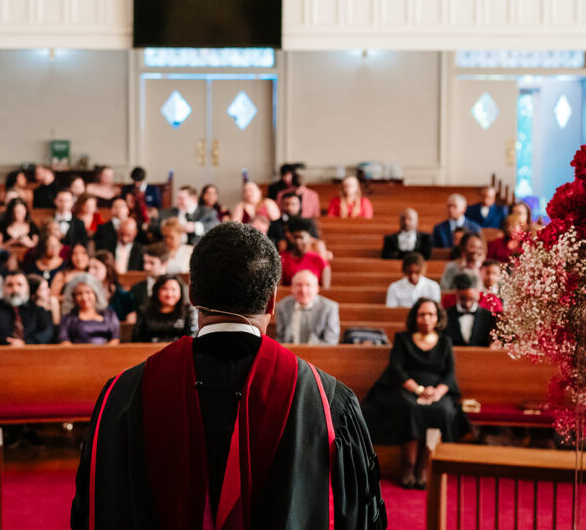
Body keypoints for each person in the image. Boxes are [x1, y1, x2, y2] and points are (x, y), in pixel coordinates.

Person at [71, 221, 387, 529]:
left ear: (192, 293)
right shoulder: (328, 402)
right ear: (272, 300)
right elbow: (360, 515)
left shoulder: (123, 394)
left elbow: (96, 508)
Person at [361, 298, 470, 489]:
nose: (426, 318)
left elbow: (449, 373)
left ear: (438, 318)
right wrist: (419, 390)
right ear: (415, 317)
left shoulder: (445, 341)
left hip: (437, 391)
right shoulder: (403, 338)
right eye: (422, 314)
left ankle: (424, 468)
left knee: (443, 410)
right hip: (406, 389)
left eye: (431, 314)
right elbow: (396, 370)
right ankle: (408, 467)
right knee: (410, 408)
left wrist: (437, 393)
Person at [0, 271, 55, 346]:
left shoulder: (38, 310)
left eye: (19, 285)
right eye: (10, 285)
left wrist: (25, 343)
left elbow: (47, 332)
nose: (15, 289)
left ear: (27, 288)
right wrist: (8, 343)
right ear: (3, 288)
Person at [275, 270, 340, 345]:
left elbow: (331, 341)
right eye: (299, 285)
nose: (303, 290)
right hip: (290, 353)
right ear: (292, 288)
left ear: (317, 288)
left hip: (319, 354)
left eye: (308, 285)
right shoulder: (282, 306)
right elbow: (281, 337)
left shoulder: (329, 308)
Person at [132, 274, 196, 342]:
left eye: (173, 289)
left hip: (180, 351)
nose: (169, 294)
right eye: (164, 289)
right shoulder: (144, 311)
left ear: (180, 292)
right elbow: (137, 338)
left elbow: (192, 336)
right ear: (157, 291)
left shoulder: (188, 310)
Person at [58, 276, 121, 345]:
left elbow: (115, 339)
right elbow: (65, 342)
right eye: (79, 294)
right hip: (77, 354)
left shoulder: (109, 315)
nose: (84, 298)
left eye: (88, 292)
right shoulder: (68, 318)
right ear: (74, 297)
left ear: (95, 294)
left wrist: (102, 353)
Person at [444, 273, 496, 347]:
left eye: (471, 299)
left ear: (478, 294)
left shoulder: (489, 317)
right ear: (457, 294)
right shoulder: (446, 315)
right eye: (463, 299)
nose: (467, 304)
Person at [280, 217, 330, 288]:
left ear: (309, 239)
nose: (298, 241)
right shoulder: (283, 259)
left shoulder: (319, 260)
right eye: (295, 237)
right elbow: (280, 288)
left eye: (301, 237)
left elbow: (326, 291)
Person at [88, 252, 138, 322]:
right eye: (89, 268)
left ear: (108, 268)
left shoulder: (123, 296)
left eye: (95, 268)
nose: (90, 272)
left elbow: (130, 324)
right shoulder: (86, 294)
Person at [128, 244, 168, 315]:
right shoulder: (136, 289)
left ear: (164, 264)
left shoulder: (176, 287)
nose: (146, 267)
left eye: (152, 263)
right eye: (145, 262)